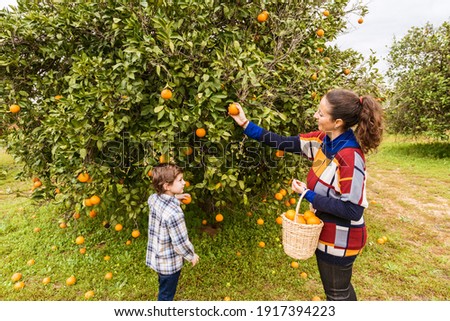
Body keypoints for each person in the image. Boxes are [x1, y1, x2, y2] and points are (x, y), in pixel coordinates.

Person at [230, 88, 383, 301]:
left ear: (337, 122)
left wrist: (308, 194)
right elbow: (281, 142)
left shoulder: (349, 156)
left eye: (321, 113)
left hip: (341, 238)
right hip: (327, 231)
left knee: (337, 294)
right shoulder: (324, 142)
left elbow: (352, 209)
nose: (315, 116)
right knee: (339, 290)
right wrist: (245, 124)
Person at [146, 163, 200, 301]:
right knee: (166, 296)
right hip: (169, 265)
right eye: (180, 180)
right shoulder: (175, 214)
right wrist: (191, 256)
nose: (184, 183)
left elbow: (152, 199)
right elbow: (180, 243)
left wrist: (174, 198)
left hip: (158, 259)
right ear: (167, 186)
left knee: (163, 285)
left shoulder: (154, 199)